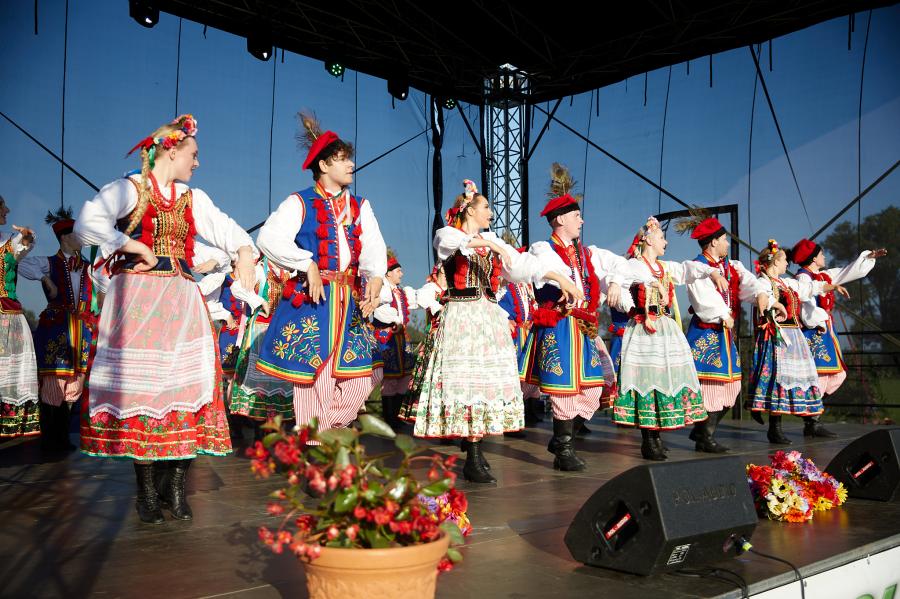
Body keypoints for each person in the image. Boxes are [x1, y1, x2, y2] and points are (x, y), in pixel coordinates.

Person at [74, 114, 258, 524]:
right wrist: (131, 244)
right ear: (171, 151)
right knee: (142, 394)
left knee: (191, 386)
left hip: (180, 301)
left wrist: (245, 252)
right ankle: (146, 492)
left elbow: (229, 230)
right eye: (194, 154)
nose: (197, 162)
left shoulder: (193, 198)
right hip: (138, 303)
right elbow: (88, 224)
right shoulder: (130, 188)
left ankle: (174, 484)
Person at [413, 179, 583, 483]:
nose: (491, 212)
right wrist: (491, 245)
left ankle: (475, 450)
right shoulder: (448, 235)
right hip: (462, 315)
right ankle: (472, 454)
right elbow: (452, 242)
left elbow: (522, 265)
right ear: (469, 210)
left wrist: (561, 279)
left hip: (487, 317)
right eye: (486, 207)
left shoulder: (492, 242)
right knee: (466, 382)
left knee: (484, 382)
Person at [255, 112, 386, 433]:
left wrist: (376, 276)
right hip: (314, 299)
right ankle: (316, 443)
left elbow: (373, 245)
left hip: (349, 301)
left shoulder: (360, 206)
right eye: (342, 159)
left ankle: (324, 432)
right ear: (324, 165)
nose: (351, 165)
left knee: (364, 376)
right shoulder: (299, 202)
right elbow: (268, 238)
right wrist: (307, 263)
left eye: (349, 159)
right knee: (316, 379)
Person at [522, 164, 630, 470]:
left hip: (583, 327)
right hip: (559, 325)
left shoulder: (587, 253)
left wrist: (616, 283)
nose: (582, 220)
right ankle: (564, 451)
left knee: (594, 386)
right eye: (576, 215)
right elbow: (546, 268)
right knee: (564, 389)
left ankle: (561, 440)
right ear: (560, 220)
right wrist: (565, 283)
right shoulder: (543, 248)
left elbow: (620, 264)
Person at [613, 216, 728, 460]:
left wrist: (712, 272)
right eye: (662, 237)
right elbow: (621, 284)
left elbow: (688, 269)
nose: (666, 242)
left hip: (665, 328)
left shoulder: (665, 267)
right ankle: (648, 440)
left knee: (663, 380)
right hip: (644, 328)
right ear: (648, 240)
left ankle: (656, 437)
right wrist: (632, 306)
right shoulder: (634, 265)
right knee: (647, 380)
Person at [677, 213, 781, 453]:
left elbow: (750, 283)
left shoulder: (731, 267)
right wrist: (723, 314)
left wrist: (764, 296)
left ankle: (702, 432)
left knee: (731, 387)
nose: (727, 243)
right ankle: (705, 435)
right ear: (713, 242)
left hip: (725, 334)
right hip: (706, 333)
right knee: (711, 386)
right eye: (724, 239)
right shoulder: (698, 267)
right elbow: (703, 300)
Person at [748, 239, 841, 444]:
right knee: (777, 380)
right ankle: (774, 428)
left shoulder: (786, 283)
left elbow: (807, 288)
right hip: (776, 337)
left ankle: (781, 425)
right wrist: (774, 305)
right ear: (775, 261)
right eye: (784, 261)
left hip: (792, 336)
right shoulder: (763, 282)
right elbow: (761, 297)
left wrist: (831, 286)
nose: (787, 264)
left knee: (788, 380)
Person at [790, 239, 886, 437]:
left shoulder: (823, 275)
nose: (824, 257)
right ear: (813, 258)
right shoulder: (803, 277)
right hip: (814, 331)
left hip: (825, 330)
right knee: (820, 376)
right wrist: (821, 320)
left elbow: (846, 271)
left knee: (836, 374)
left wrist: (867, 258)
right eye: (821, 254)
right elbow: (806, 307)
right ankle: (812, 421)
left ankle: (810, 411)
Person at [18, 207, 96, 451]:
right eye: (77, 235)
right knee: (54, 380)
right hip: (57, 327)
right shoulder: (49, 263)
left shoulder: (88, 266)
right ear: (64, 238)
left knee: (75, 382)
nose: (82, 240)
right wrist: (44, 278)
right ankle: (50, 438)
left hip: (80, 328)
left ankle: (61, 437)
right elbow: (20, 264)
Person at [0, 196, 39, 439]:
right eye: (2, 206)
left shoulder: (8, 243)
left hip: (8, 319)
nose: (7, 209)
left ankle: (8, 424)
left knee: (8, 373)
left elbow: (24, 244)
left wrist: (26, 236)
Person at [371, 252, 417, 429]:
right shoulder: (383, 290)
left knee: (404, 376)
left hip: (400, 337)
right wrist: (395, 321)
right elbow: (379, 312)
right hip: (387, 337)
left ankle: (396, 415)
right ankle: (389, 417)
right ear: (388, 273)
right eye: (398, 271)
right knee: (390, 376)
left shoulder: (400, 291)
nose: (401, 274)